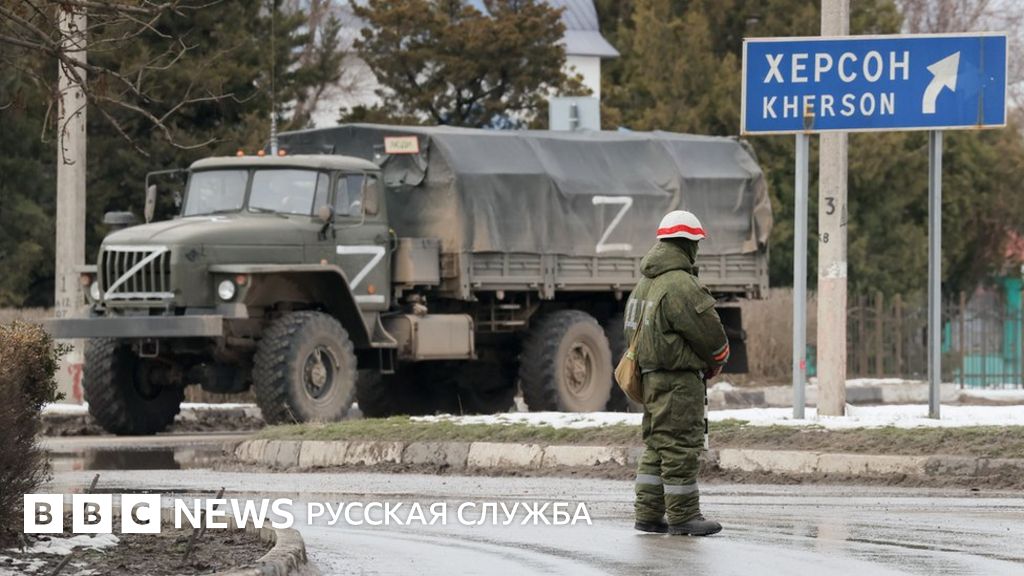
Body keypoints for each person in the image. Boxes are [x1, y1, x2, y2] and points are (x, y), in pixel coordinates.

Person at [624, 210, 730, 536]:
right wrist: (716, 360)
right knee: (680, 445)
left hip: (650, 377)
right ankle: (684, 516)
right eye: (696, 243)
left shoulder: (643, 284)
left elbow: (630, 333)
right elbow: (711, 336)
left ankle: (648, 514)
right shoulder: (681, 284)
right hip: (678, 381)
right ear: (687, 244)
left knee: (657, 444)